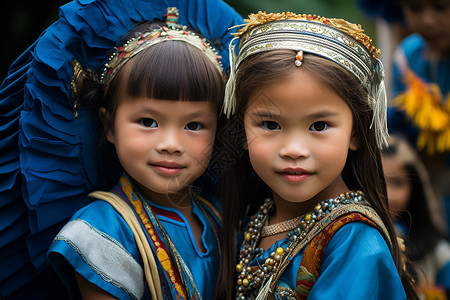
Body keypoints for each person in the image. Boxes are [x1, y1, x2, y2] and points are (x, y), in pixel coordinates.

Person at [0, 0, 243, 299]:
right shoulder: (100, 235)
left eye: (193, 126)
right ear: (109, 126)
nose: (171, 144)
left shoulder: (223, 221)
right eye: (147, 121)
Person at [220, 12, 418, 299]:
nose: (294, 150)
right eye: (270, 125)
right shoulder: (252, 215)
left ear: (356, 133)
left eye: (319, 126)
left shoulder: (355, 242)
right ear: (240, 129)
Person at [388, 0, 450, 230]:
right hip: (421, 204)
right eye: (415, 8)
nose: (427, 20)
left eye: (441, 7)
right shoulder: (408, 55)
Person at [382, 135, 450, 299]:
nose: (387, 194)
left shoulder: (437, 252)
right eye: (378, 180)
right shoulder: (352, 239)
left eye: (398, 182)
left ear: (415, 187)